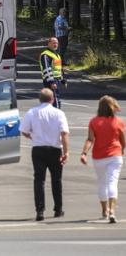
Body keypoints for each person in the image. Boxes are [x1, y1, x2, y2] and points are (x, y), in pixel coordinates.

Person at [21, 88, 70, 221]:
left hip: (38, 149)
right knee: (56, 180)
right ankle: (58, 209)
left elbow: (24, 130)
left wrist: (33, 137)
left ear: (39, 99)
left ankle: (40, 211)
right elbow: (64, 133)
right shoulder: (59, 113)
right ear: (53, 100)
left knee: (39, 180)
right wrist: (66, 152)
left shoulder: (32, 112)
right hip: (55, 149)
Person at [80, 96, 125, 223]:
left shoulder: (94, 122)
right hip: (115, 155)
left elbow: (90, 139)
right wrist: (121, 150)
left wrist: (84, 153)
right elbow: (123, 140)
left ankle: (104, 211)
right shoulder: (118, 122)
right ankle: (112, 211)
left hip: (99, 156)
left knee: (102, 183)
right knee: (112, 182)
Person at [40, 37, 66, 108]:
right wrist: (51, 82)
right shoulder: (45, 55)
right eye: (53, 43)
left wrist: (62, 79)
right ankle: (56, 115)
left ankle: (51, 115)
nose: (56, 44)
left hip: (57, 80)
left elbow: (59, 68)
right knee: (55, 100)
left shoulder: (56, 54)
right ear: (49, 43)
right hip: (50, 80)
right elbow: (47, 69)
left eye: (57, 43)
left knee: (54, 99)